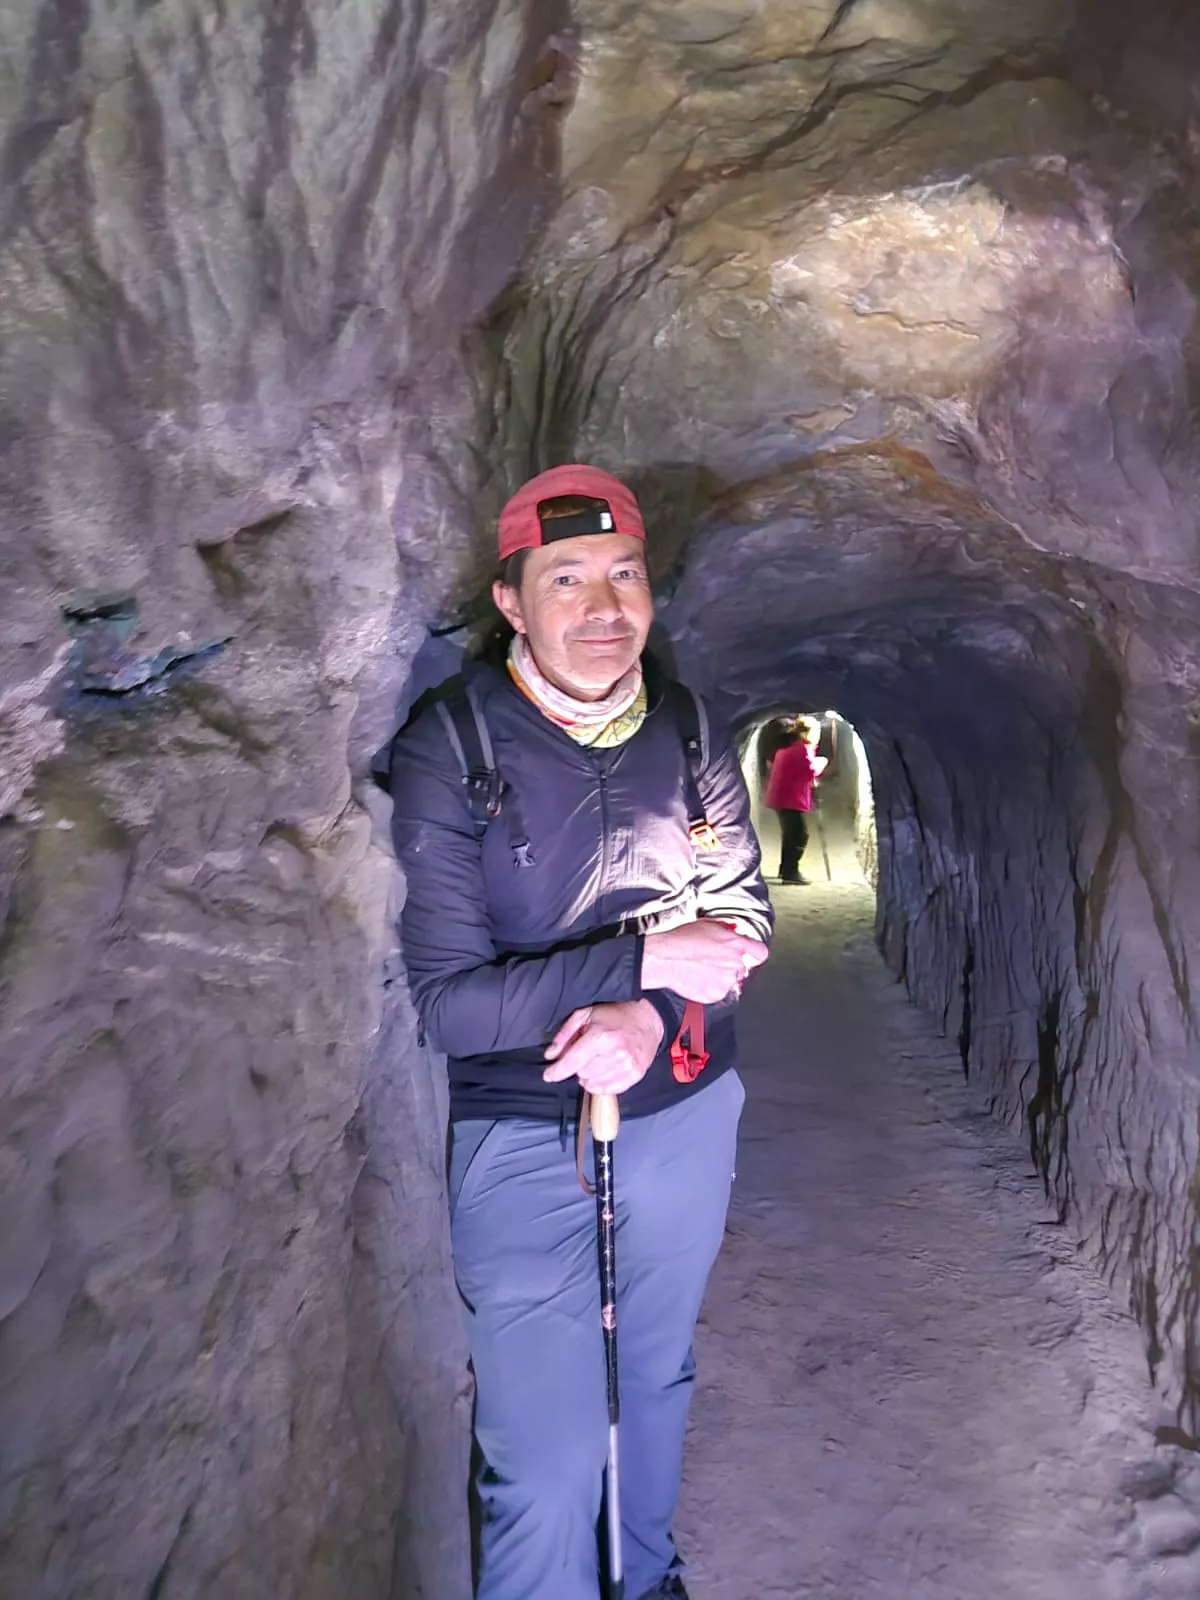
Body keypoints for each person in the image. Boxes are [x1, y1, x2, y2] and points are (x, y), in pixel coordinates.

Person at [383, 463, 773, 1600]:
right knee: (547, 1454)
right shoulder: (451, 749)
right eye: (568, 579)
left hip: (687, 1101)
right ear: (513, 600)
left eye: (624, 574)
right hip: (522, 1121)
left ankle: (646, 1577)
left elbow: (740, 919)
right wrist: (641, 963)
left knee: (651, 1376)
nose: (605, 609)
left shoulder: (690, 725)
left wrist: (650, 1015)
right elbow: (446, 1003)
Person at [764, 715, 827, 885]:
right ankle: (791, 873)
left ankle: (785, 869)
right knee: (799, 835)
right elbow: (809, 770)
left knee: (791, 834)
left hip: (781, 796)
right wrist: (822, 762)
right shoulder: (802, 749)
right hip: (789, 797)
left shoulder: (787, 745)